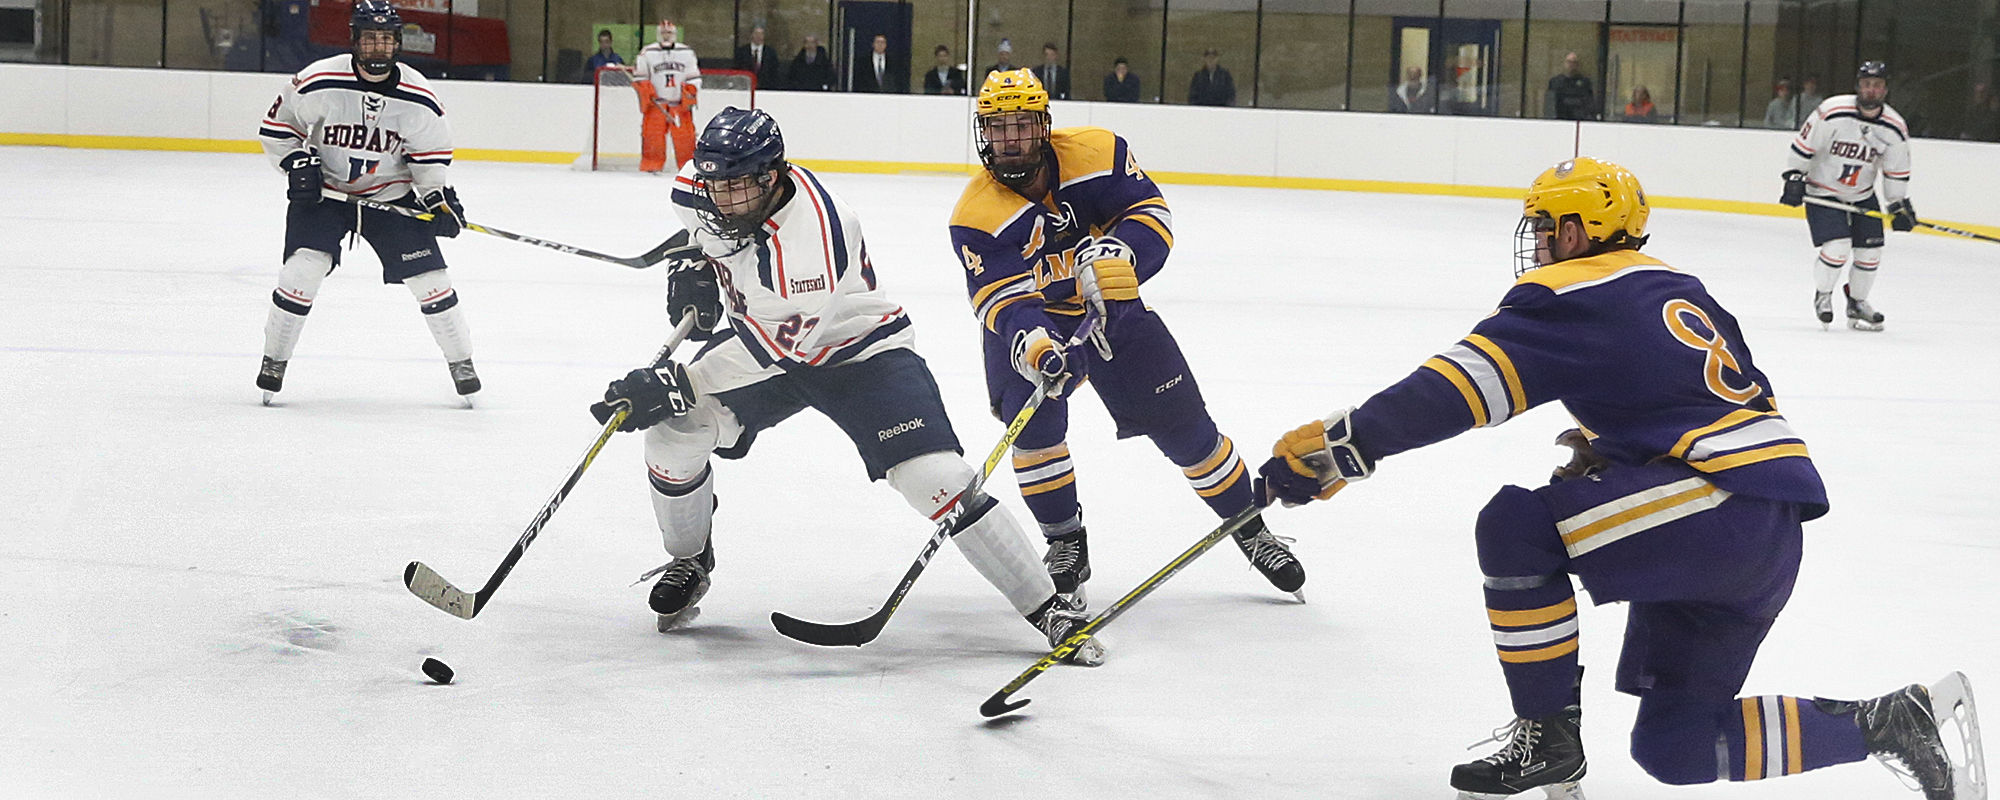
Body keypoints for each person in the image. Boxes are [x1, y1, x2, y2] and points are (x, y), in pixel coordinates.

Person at [1256, 156, 1983, 800]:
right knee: (1678, 747)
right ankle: (1891, 723)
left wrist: (1337, 449)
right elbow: (1715, 398)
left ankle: (1547, 738)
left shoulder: (1570, 294)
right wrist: (1631, 453)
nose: (1538, 243)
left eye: (1545, 227)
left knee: (1516, 526)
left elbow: (1455, 390)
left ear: (1577, 232)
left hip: (1719, 507)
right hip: (1765, 527)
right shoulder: (1681, 288)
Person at [591, 107, 1105, 666]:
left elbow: (776, 348)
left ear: (771, 177)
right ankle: (689, 559)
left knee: (938, 481)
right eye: (716, 187)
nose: (723, 201)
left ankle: (1049, 608)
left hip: (860, 354)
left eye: (738, 188)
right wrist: (692, 266)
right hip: (765, 345)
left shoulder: (814, 236)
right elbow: (702, 236)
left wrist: (678, 382)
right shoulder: (706, 188)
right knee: (672, 436)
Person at [948, 70, 1306, 609]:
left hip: (1112, 310)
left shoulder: (1097, 152)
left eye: (1021, 126)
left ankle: (1250, 527)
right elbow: (1002, 299)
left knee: (1186, 431)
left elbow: (1151, 215)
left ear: (1043, 126)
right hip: (1035, 325)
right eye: (999, 128)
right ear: (984, 133)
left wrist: (1123, 254)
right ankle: (1066, 543)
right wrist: (1035, 343)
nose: (1011, 140)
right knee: (1034, 432)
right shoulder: (976, 214)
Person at [255, 0, 476, 404]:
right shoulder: (319, 79)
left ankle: (462, 361)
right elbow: (278, 127)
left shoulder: (420, 97)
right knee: (301, 272)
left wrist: (437, 200)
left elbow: (429, 162)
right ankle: (274, 359)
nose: (379, 47)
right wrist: (296, 163)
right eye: (370, 39)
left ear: (398, 43)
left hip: (389, 196)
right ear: (355, 40)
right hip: (326, 195)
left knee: (432, 282)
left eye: (386, 39)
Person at [1779, 60, 1913, 331]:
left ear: (1885, 89)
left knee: (1870, 252)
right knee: (1837, 246)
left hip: (1862, 194)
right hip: (1823, 191)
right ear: (1857, 86)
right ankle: (1823, 295)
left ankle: (1857, 302)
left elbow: (1895, 171)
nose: (1871, 90)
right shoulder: (1833, 111)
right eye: (1866, 84)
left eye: (1877, 85)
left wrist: (1898, 204)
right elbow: (1804, 146)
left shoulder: (1894, 127)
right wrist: (1794, 176)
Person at [634, 20, 700, 173]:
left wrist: (689, 93)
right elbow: (640, 77)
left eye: (669, 33)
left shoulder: (687, 52)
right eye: (663, 33)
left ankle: (688, 168)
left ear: (674, 34)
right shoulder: (647, 52)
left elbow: (693, 78)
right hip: (656, 105)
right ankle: (651, 166)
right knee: (652, 137)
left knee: (686, 138)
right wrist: (646, 90)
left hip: (680, 105)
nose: (666, 36)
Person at [732, 25, 784, 91]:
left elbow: (774, 73)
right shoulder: (742, 51)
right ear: (751, 35)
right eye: (756, 33)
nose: (758, 36)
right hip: (746, 89)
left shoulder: (771, 52)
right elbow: (738, 70)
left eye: (761, 34)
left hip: (765, 89)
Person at [1546, 52, 1596, 120]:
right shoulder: (1555, 82)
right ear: (1564, 64)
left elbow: (1589, 104)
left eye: (1574, 62)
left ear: (1578, 65)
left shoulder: (1585, 83)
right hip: (1560, 120)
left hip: (1579, 119)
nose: (1571, 65)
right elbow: (1550, 105)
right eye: (1569, 62)